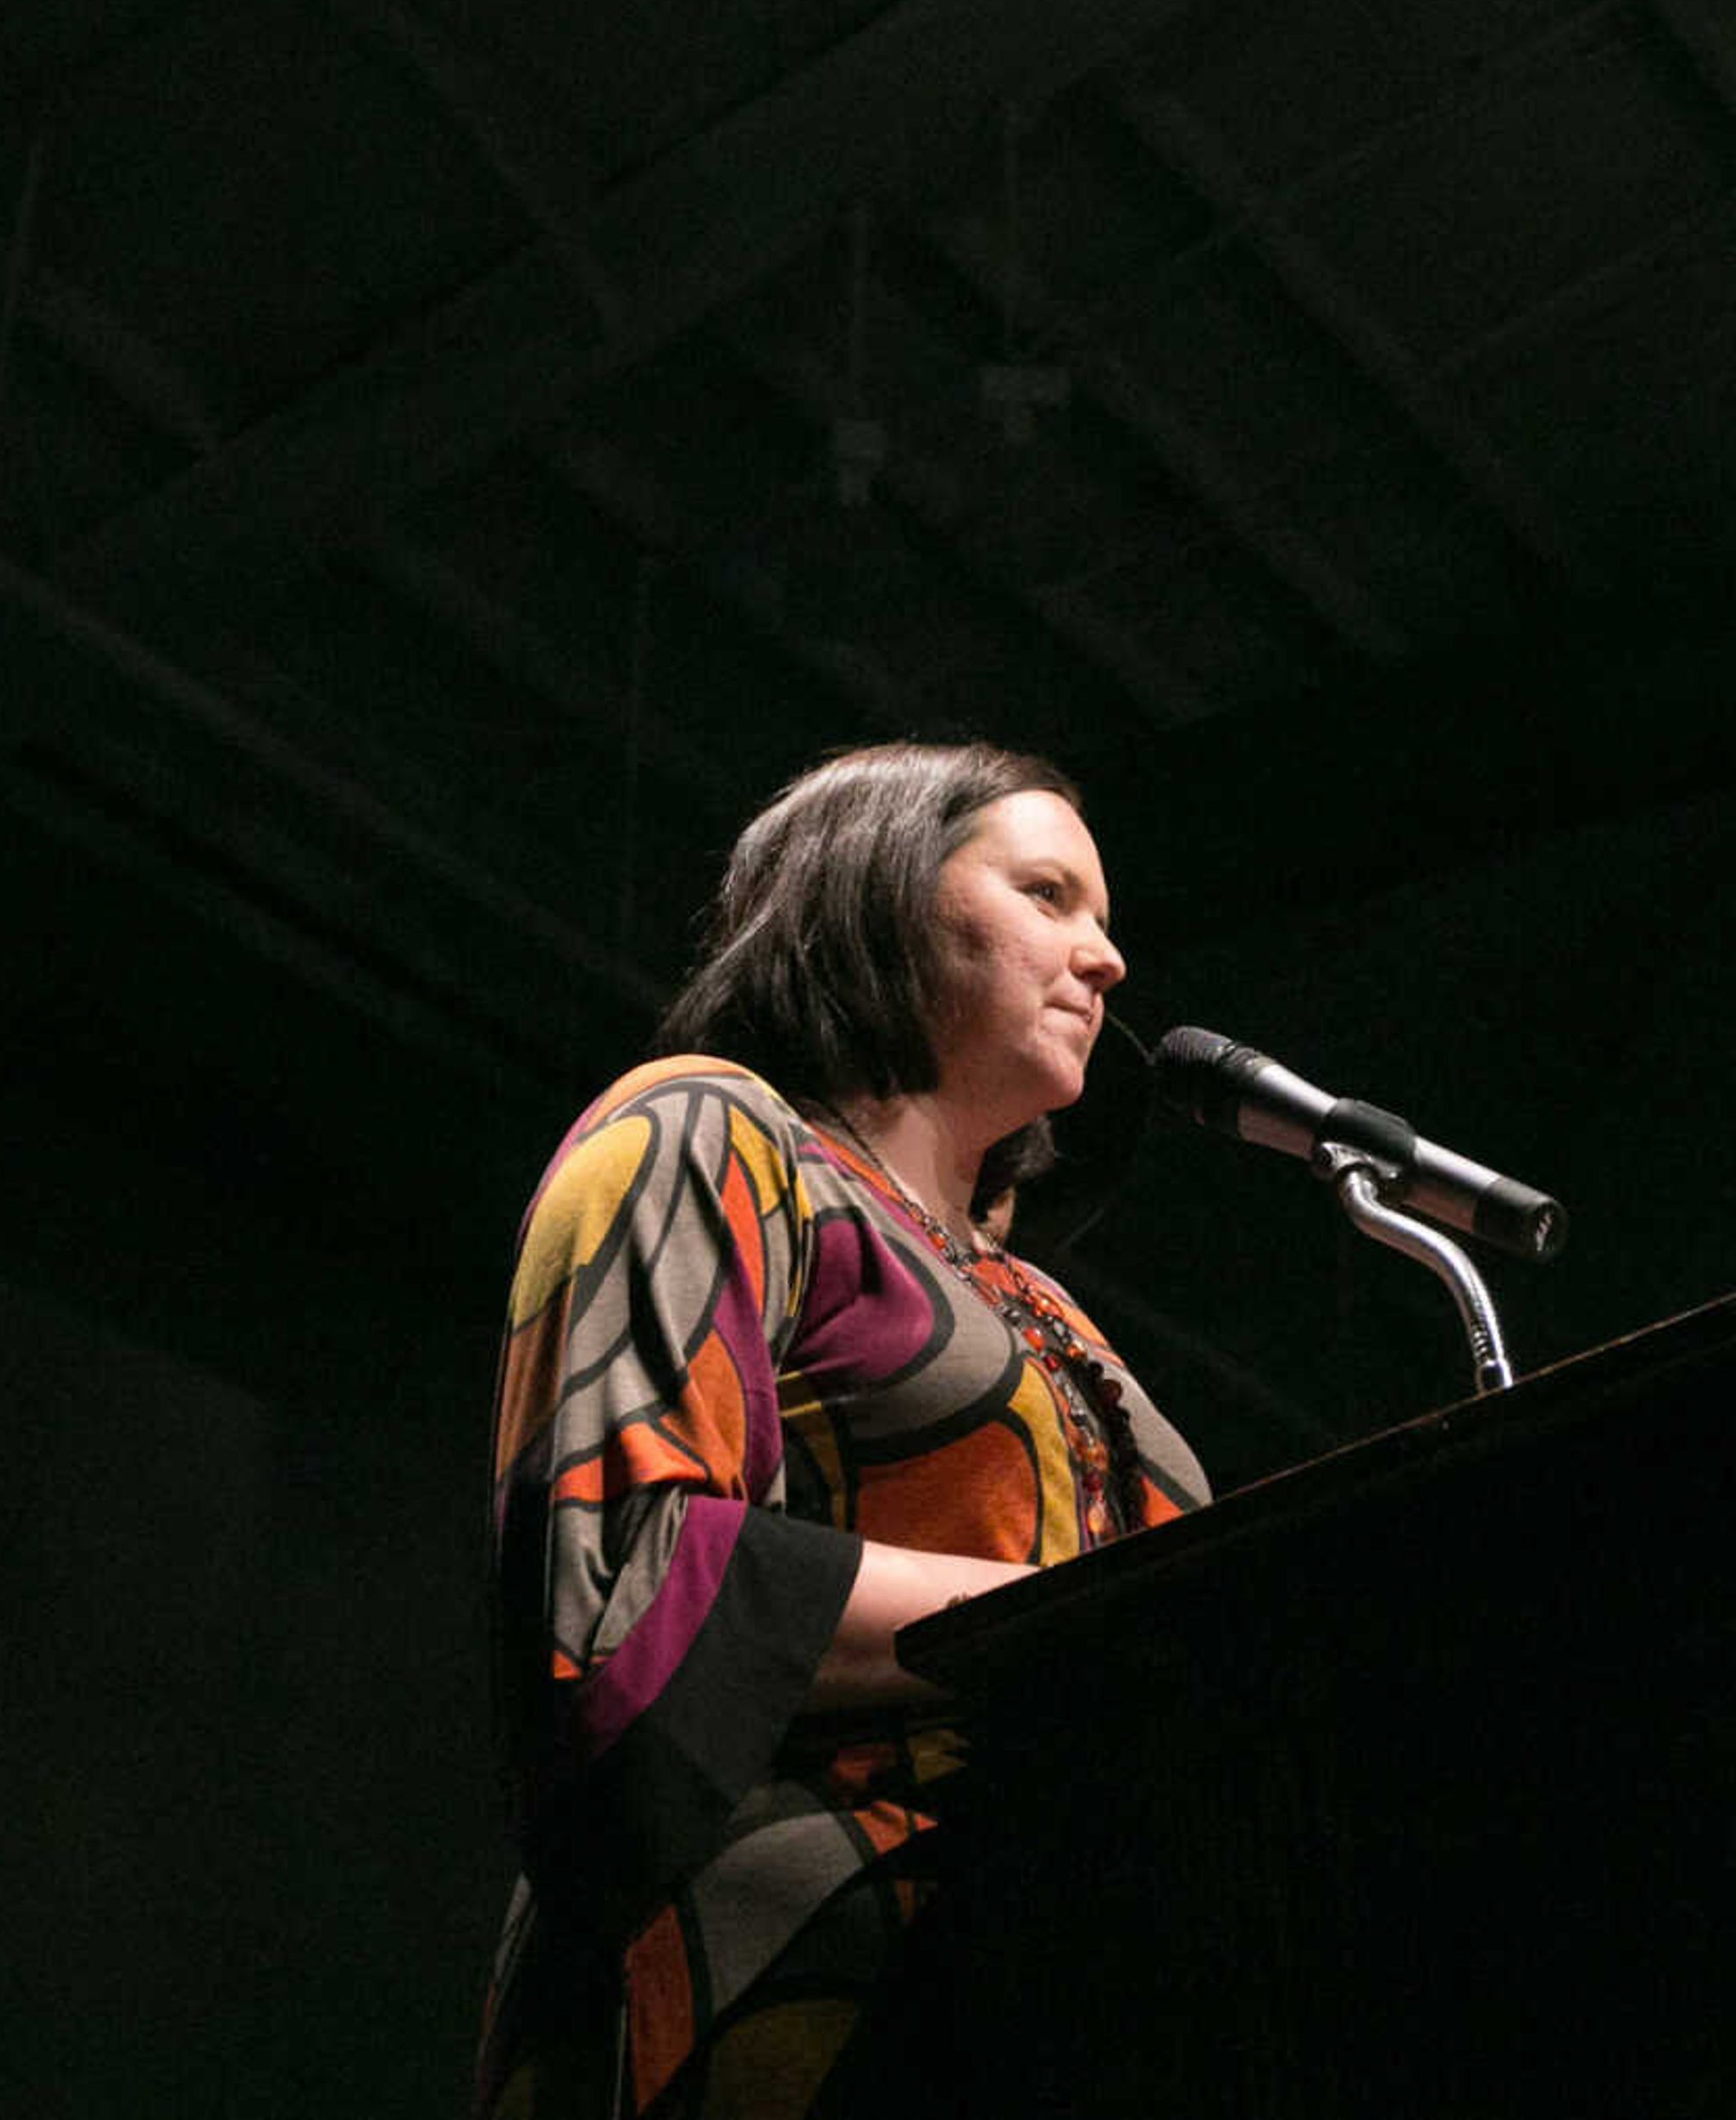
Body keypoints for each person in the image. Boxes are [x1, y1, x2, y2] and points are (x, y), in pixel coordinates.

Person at [477, 743, 1210, 2119]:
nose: (1105, 959)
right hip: (788, 1998)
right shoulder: (708, 1132)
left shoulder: (1051, 1310)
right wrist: (1061, 1622)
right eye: (1048, 892)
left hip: (1071, 1998)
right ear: (877, 899)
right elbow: (624, 1573)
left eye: (1104, 919)